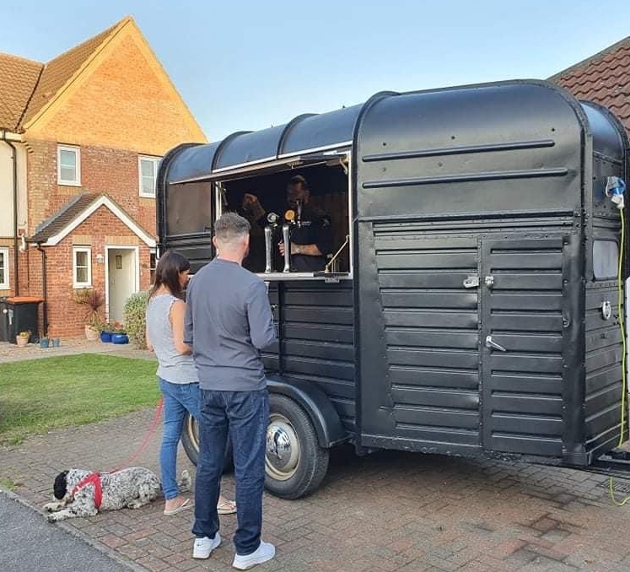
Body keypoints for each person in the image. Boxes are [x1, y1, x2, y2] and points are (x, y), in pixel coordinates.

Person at [186, 213, 277, 569]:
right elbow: (263, 339)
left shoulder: (196, 282)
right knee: (249, 467)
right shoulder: (252, 285)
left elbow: (188, 337)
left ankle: (203, 537)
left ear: (215, 242)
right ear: (247, 243)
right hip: (245, 387)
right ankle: (247, 547)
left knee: (209, 463)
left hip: (208, 386)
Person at [145, 250, 236, 517]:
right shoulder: (176, 305)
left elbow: (151, 344)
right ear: (175, 273)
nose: (187, 279)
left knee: (170, 437)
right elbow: (183, 346)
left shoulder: (151, 302)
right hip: (187, 380)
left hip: (166, 378)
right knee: (214, 433)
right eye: (185, 274)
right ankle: (215, 499)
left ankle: (171, 499)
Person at [242, 174, 333, 271]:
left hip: (310, 276)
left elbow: (325, 247)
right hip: (287, 275)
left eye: (296, 193)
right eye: (289, 194)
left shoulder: (318, 217)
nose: (291, 197)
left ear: (306, 194)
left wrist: (296, 248)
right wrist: (255, 204)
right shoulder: (285, 215)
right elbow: (267, 225)